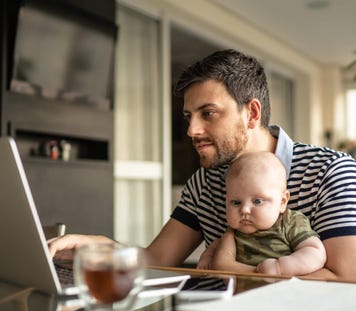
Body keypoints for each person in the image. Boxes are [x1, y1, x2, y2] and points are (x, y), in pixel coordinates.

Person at [48, 49, 356, 281]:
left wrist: (230, 269)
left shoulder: (330, 172)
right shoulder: (203, 183)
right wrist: (96, 248)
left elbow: (346, 280)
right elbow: (156, 258)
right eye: (188, 117)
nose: (191, 131)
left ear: (251, 114)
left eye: (208, 113)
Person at [198, 151, 326, 275]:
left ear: (282, 202)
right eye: (236, 202)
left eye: (257, 201)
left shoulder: (289, 222)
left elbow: (315, 251)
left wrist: (281, 267)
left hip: (281, 290)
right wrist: (207, 258)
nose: (244, 210)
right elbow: (217, 246)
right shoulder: (234, 231)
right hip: (240, 293)